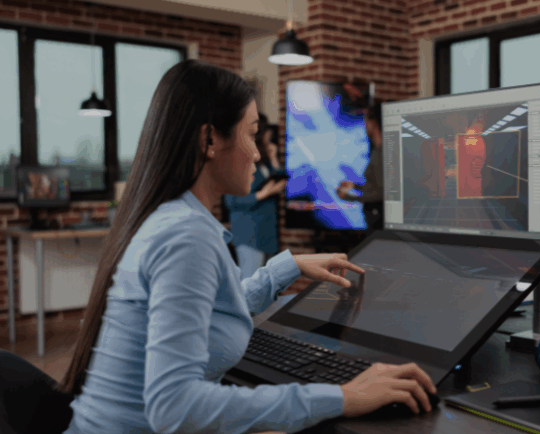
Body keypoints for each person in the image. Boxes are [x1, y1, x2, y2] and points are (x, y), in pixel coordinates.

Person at [58, 60, 436, 434]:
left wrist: (288, 267)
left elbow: (210, 310)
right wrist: (343, 397)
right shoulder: (186, 236)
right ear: (210, 140)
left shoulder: (171, 219)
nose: (257, 153)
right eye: (252, 134)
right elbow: (175, 408)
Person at [225, 118, 285, 277]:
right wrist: (262, 194)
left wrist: (274, 158)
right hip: (249, 235)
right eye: (267, 134)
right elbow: (230, 200)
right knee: (250, 286)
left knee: (267, 289)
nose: (269, 138)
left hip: (268, 234)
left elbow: (280, 178)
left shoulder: (264, 162)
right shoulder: (239, 161)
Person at [336, 102, 384, 231]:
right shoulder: (378, 151)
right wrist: (355, 186)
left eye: (366, 121)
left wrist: (349, 197)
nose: (364, 126)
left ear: (373, 123)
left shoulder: (382, 152)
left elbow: (383, 194)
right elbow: (378, 187)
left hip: (377, 222)